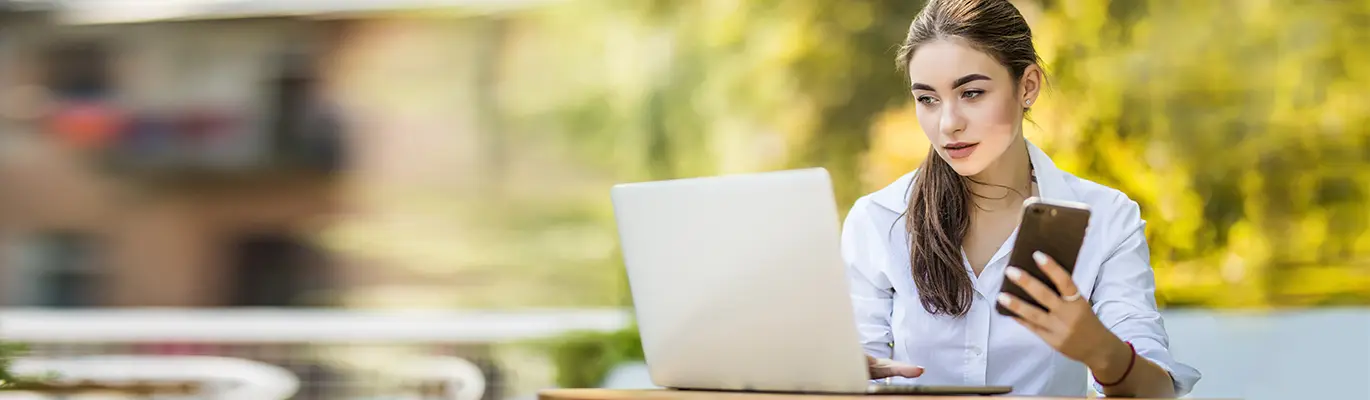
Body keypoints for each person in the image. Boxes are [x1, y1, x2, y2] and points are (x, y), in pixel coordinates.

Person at [843, 0, 1201, 397]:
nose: (948, 124)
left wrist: (1101, 351)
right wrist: (841, 377)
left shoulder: (1106, 218)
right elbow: (856, 370)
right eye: (927, 99)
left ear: (1027, 86)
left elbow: (1158, 391)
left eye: (972, 93)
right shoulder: (879, 219)